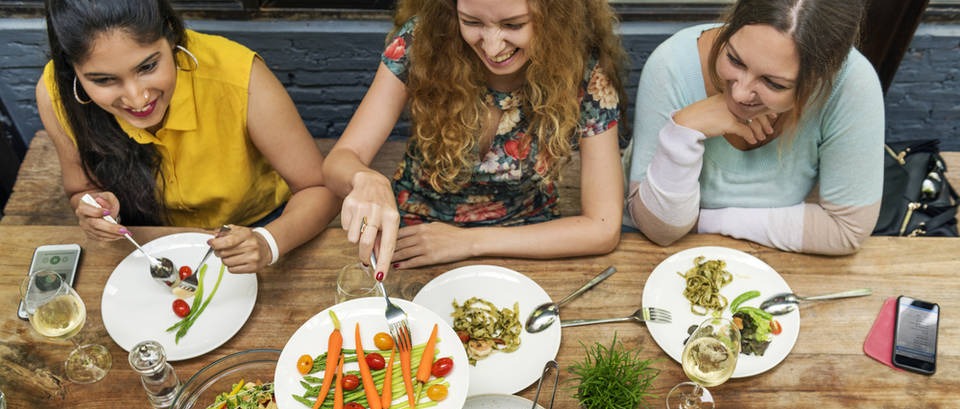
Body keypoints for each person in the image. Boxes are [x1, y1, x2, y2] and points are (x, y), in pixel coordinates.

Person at [324, 0, 627, 275]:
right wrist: (365, 179)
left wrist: (466, 242)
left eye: (513, 25)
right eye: (471, 22)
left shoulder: (584, 68)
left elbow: (603, 228)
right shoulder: (421, 42)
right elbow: (339, 161)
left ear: (556, 15)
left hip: (530, 242)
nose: (492, 47)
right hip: (414, 236)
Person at [37, 0, 340, 273]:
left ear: (171, 37)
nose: (137, 98)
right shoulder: (55, 95)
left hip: (255, 227)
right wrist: (93, 208)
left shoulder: (237, 75)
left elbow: (321, 190)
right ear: (72, 69)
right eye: (103, 80)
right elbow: (80, 190)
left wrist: (267, 242)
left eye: (148, 66)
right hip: (143, 239)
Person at [624, 0, 884, 255]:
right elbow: (658, 230)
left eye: (774, 84)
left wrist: (709, 222)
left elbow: (846, 229)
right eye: (735, 60)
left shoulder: (851, 86)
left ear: (821, 78)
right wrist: (683, 131)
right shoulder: (672, 65)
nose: (739, 93)